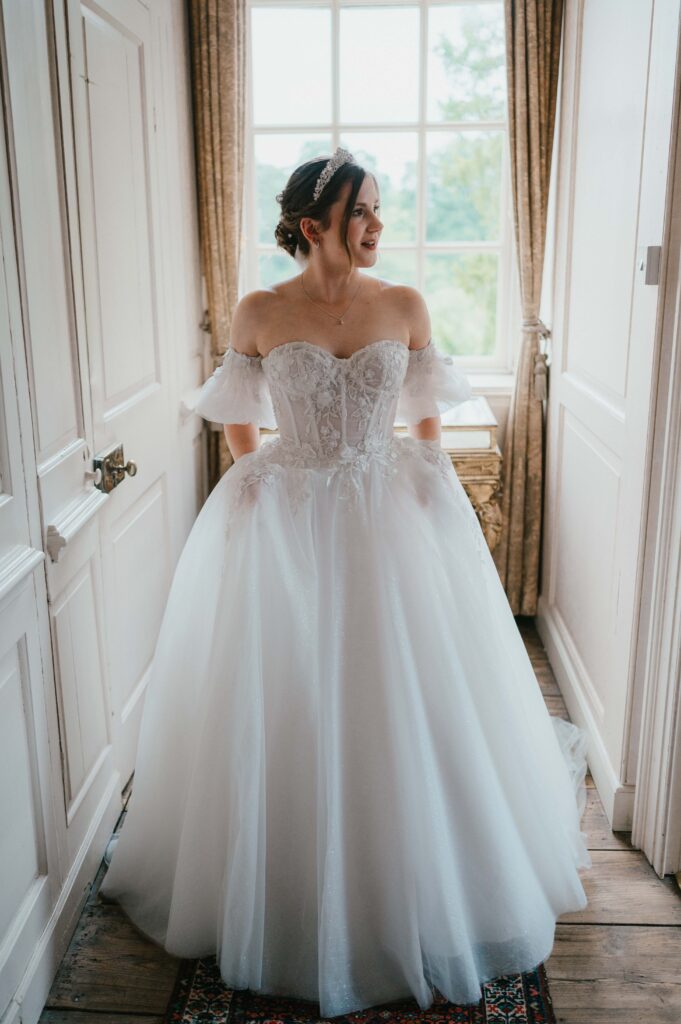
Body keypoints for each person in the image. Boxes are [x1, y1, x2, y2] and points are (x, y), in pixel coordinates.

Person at [100, 146, 591, 1019]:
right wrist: (271, 487)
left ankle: (408, 867)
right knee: (286, 686)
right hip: (287, 514)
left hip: (386, 515)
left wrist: (427, 512)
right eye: (362, 210)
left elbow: (428, 428)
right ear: (312, 220)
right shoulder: (259, 310)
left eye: (375, 210)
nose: (375, 226)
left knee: (395, 688)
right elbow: (239, 425)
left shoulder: (401, 304)